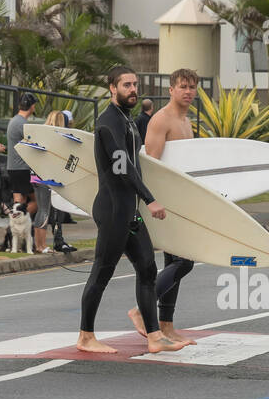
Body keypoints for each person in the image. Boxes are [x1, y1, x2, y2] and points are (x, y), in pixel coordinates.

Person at [76, 66, 187, 355]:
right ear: (112, 88)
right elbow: (122, 166)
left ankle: (153, 336)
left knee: (148, 268)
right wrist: (150, 199)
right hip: (114, 209)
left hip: (129, 211)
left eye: (135, 84)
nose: (133, 89)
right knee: (102, 272)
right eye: (126, 85)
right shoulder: (108, 122)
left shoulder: (126, 120)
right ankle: (86, 336)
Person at [138, 68, 200, 345]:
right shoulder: (161, 120)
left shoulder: (186, 121)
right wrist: (155, 202)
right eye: (183, 86)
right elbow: (151, 166)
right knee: (185, 261)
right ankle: (142, 310)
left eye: (192, 87)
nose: (188, 91)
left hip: (183, 201)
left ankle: (165, 325)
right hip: (166, 202)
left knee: (174, 263)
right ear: (171, 90)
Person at [5, 92, 40, 248]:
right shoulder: (22, 124)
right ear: (32, 106)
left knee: (19, 201)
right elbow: (34, 144)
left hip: (13, 166)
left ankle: (15, 236)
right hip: (22, 168)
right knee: (37, 201)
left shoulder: (14, 121)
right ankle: (16, 226)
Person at [44, 110, 76, 253]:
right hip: (54, 178)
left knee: (49, 212)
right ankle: (58, 241)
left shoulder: (44, 134)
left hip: (43, 177)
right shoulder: (60, 137)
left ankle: (57, 240)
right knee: (56, 211)